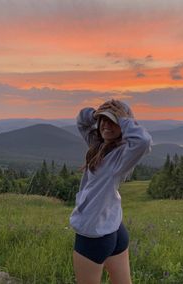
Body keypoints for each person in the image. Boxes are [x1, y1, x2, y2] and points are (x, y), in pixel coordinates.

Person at [70, 99, 153, 284]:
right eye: (104, 120)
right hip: (114, 229)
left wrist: (123, 118)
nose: (107, 125)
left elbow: (144, 141)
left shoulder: (123, 155)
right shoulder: (98, 145)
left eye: (113, 121)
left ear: (123, 125)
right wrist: (97, 113)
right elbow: (81, 121)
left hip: (93, 234)